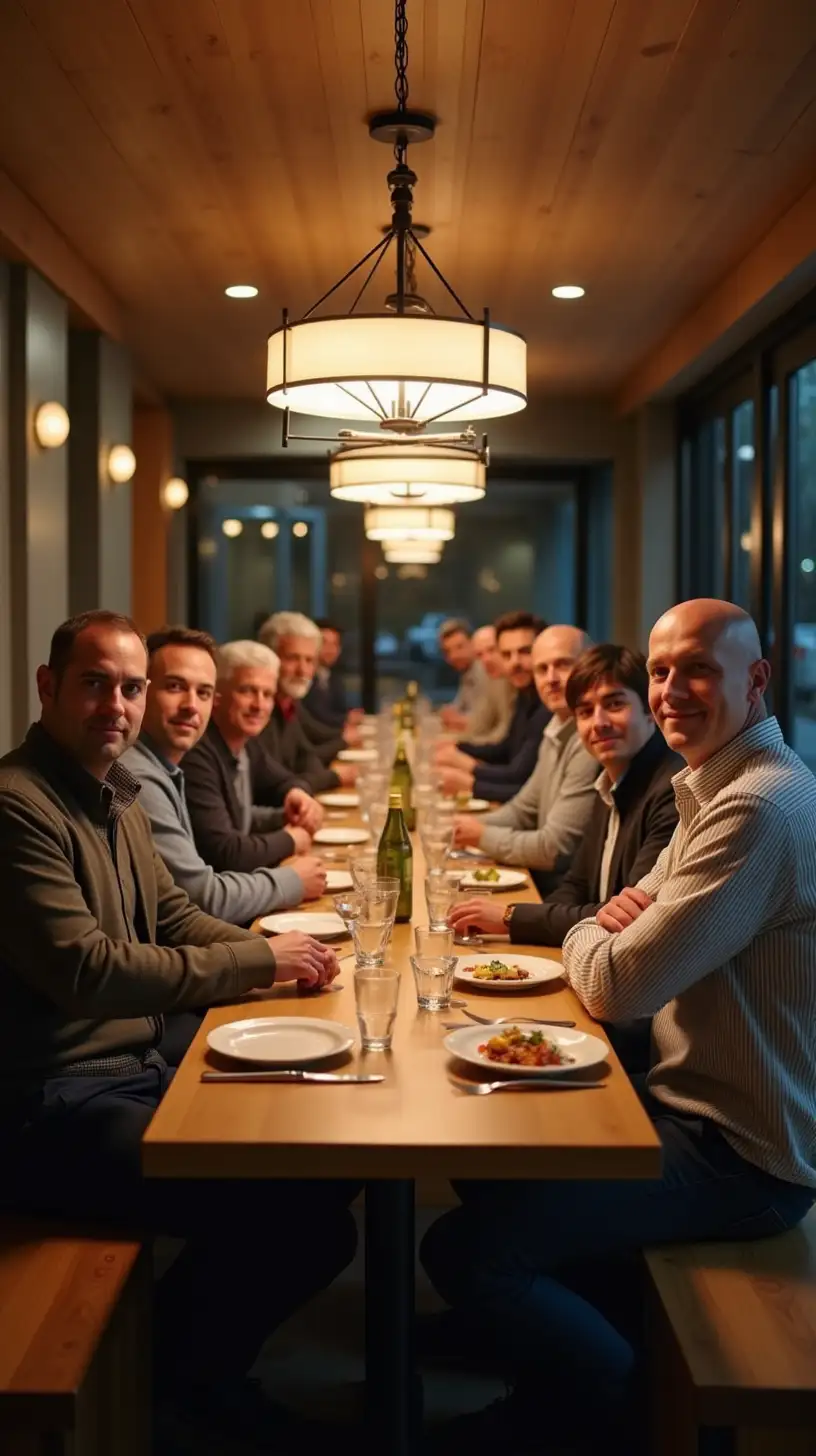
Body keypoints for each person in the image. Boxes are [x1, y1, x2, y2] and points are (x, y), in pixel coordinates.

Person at [422, 599, 816, 1454]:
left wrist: (592, 929)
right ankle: (546, 1361)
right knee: (489, 1167)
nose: (672, 690)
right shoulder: (713, 785)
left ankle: (622, 1409)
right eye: (662, 671)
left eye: (698, 670)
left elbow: (617, 982)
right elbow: (619, 934)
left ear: (756, 680)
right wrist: (609, 925)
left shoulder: (756, 810)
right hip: (690, 1104)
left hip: (743, 1152)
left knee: (466, 1252)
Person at [0, 610, 357, 1448]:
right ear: (49, 687)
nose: (116, 705)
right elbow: (89, 971)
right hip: (49, 1107)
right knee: (307, 1223)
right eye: (95, 684)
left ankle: (178, 1357)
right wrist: (258, 966)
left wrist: (285, 955)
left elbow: (172, 915)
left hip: (128, 1072)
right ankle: (184, 1384)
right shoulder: (18, 805)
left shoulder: (114, 787)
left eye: (129, 688)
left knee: (324, 1166)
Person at [450, 643, 681, 943]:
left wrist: (511, 917)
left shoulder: (670, 790)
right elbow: (577, 883)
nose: (598, 723)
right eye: (585, 711)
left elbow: (626, 917)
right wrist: (518, 919)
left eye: (614, 705)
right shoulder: (610, 775)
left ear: (650, 711)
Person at [124, 626, 327, 921]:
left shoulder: (172, 763)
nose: (191, 706)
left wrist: (288, 810)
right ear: (140, 691)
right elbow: (206, 895)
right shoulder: (142, 774)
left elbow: (280, 782)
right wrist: (292, 877)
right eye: (175, 687)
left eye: (202, 692)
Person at [450, 625, 600, 892]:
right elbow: (523, 809)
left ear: (590, 667)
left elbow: (554, 848)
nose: (551, 678)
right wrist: (458, 828)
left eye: (563, 665)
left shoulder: (590, 738)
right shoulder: (556, 725)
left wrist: (481, 835)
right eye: (542, 669)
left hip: (562, 893)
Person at [182, 639, 324, 874]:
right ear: (217, 695)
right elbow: (226, 853)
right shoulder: (196, 752)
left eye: (267, 694)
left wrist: (297, 796)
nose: (259, 705)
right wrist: (291, 839)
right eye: (247, 691)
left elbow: (282, 781)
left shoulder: (246, 742)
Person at [434, 611, 550, 803]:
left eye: (524, 652)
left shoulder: (548, 707)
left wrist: (468, 776)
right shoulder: (526, 694)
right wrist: (459, 748)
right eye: (507, 654)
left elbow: (519, 777)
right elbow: (505, 748)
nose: (515, 663)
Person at [258, 611, 358, 792]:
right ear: (268, 658)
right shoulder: (259, 711)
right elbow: (277, 788)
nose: (302, 670)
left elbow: (307, 757)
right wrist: (333, 776)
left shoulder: (288, 702)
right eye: (292, 658)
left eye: (310, 660)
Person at [461, 624, 516, 745]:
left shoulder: (517, 681)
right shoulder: (494, 679)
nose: (486, 660)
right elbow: (480, 724)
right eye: (479, 655)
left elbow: (505, 736)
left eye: (492, 650)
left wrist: (463, 748)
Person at [302, 618, 359, 730]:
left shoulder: (332, 675)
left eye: (335, 644)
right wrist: (345, 719)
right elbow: (313, 718)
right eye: (324, 643)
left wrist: (350, 715)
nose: (331, 649)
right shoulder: (303, 676)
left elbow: (339, 708)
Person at [437, 619, 479, 729]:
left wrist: (459, 720)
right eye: (447, 651)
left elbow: (487, 722)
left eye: (459, 647)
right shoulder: (467, 673)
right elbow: (457, 708)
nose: (453, 656)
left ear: (473, 643)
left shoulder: (487, 671)